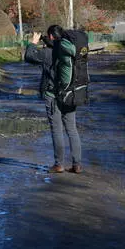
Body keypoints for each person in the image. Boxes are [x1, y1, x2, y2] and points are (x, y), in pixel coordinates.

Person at [48, 25, 83, 174]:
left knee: (57, 130)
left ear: (51, 36)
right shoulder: (72, 48)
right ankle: (77, 165)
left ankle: (59, 164)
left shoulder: (59, 47)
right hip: (73, 93)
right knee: (72, 130)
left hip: (58, 94)